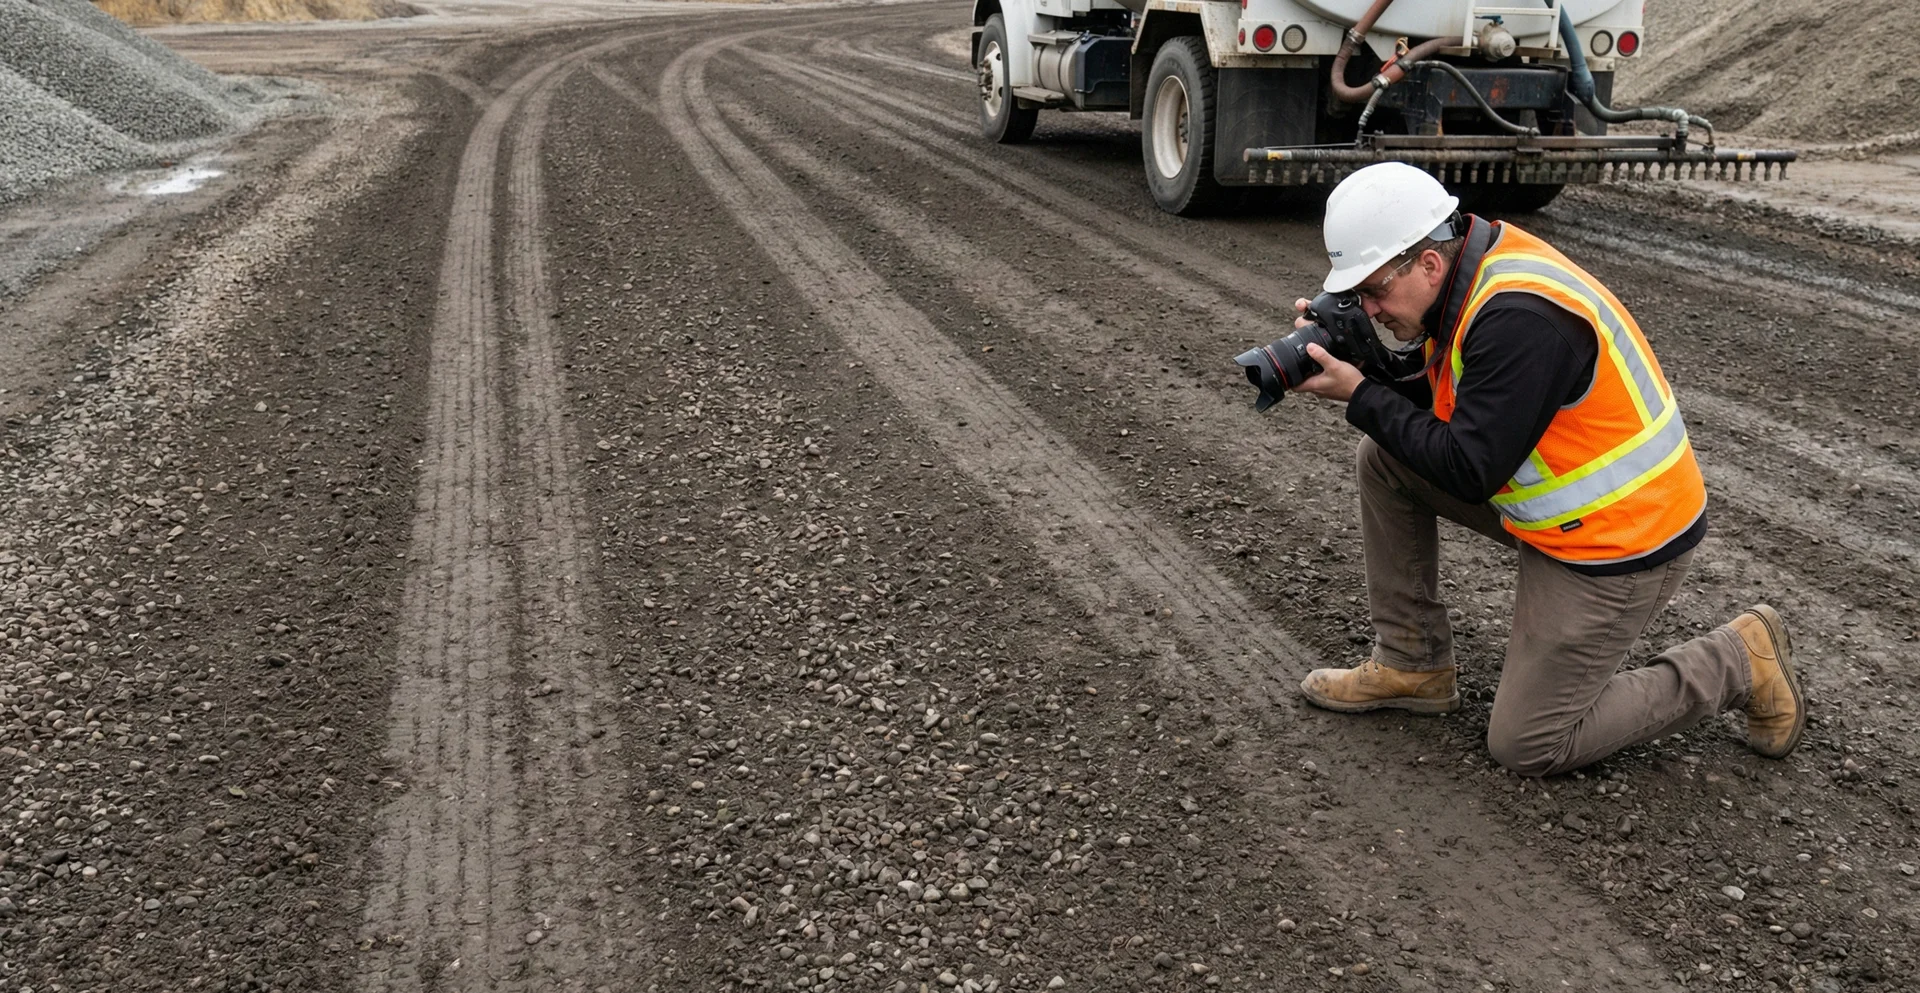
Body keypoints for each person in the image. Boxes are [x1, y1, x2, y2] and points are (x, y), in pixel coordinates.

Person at [1286, 162, 1805, 777]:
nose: (1369, 308)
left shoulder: (1519, 318)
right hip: (1563, 514)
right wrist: (1367, 362)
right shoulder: (1465, 269)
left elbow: (1469, 467)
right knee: (1386, 459)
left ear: (1426, 264)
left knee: (1528, 743)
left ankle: (1738, 659)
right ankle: (1413, 664)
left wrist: (1361, 395)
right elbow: (1455, 401)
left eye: (1372, 293)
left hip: (1620, 540)